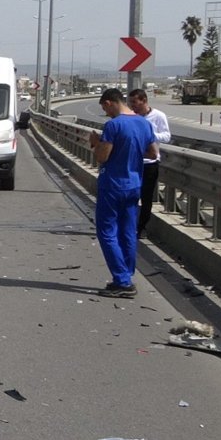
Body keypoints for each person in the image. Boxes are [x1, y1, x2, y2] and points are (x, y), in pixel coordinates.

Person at [89, 88, 158, 298]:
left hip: (113, 184)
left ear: (110, 102)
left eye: (104, 108)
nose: (106, 113)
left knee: (107, 231)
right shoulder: (144, 123)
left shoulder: (113, 125)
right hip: (134, 183)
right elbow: (153, 152)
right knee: (127, 230)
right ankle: (127, 273)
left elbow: (103, 156)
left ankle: (122, 281)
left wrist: (95, 143)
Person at [126, 89, 171, 235]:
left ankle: (142, 227)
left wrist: (149, 135)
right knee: (131, 194)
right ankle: (128, 225)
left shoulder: (158, 116)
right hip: (133, 162)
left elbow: (166, 136)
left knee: (146, 197)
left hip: (150, 163)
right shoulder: (130, 116)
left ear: (144, 100)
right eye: (130, 102)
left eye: (135, 102)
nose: (133, 106)